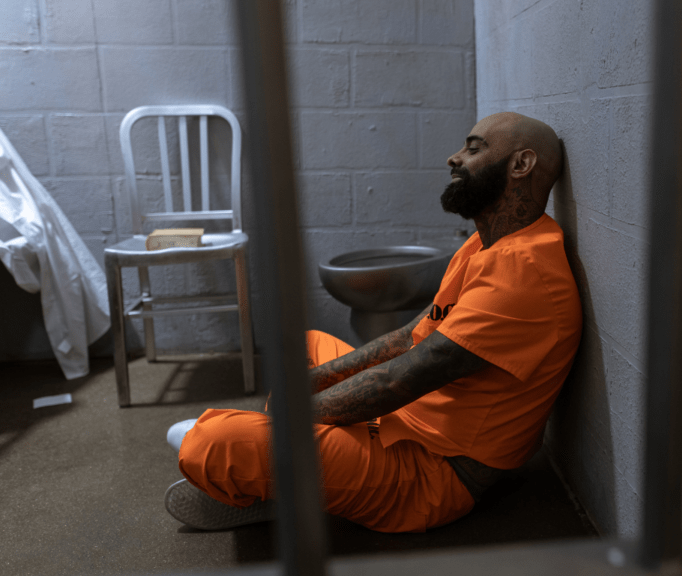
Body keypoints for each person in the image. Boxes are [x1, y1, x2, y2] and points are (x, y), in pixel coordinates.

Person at [164, 112, 583, 533]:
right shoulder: (486, 243)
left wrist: (291, 418)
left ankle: (281, 476)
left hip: (432, 471)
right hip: (405, 420)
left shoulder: (523, 271)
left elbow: (394, 382)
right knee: (304, 345)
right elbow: (409, 337)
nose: (454, 158)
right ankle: (297, 478)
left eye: (474, 149)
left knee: (208, 442)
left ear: (520, 165)